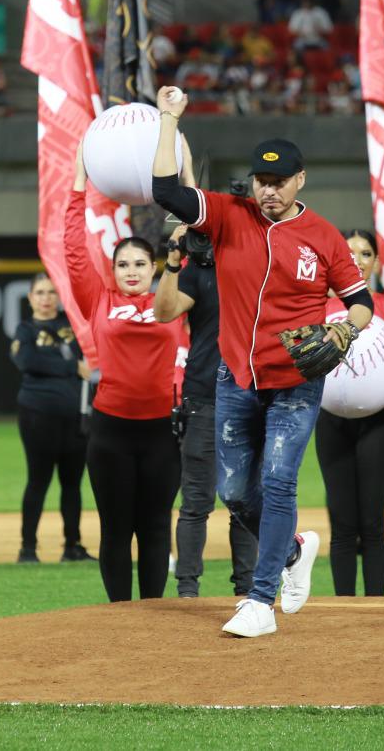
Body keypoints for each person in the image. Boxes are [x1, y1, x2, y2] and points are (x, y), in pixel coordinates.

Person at [151, 87, 374, 638]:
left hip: (296, 379)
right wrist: (167, 119)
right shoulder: (229, 216)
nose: (267, 190)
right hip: (235, 376)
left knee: (277, 482)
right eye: (260, 179)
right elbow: (164, 192)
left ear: (301, 180)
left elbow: (361, 302)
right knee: (232, 492)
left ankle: (259, 600)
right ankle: (295, 548)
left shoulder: (324, 238)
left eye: (278, 180)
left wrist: (345, 328)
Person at [67, 150, 183, 601]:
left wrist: (185, 177)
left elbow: (200, 239)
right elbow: (75, 249)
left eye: (140, 264)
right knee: (115, 528)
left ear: (153, 267)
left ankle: (150, 619)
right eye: (123, 265)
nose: (132, 271)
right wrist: (78, 184)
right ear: (112, 271)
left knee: (155, 527)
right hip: (111, 431)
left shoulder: (173, 299)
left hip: (159, 431)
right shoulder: (98, 300)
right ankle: (119, 618)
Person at [154, 223, 258, 599]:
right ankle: (187, 591)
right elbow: (163, 312)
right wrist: (173, 260)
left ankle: (247, 591)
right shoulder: (197, 272)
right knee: (196, 502)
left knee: (244, 501)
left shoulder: (259, 265)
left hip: (250, 396)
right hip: (205, 398)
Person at [314, 231, 384, 597]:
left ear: (376, 262)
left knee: (372, 523)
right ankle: (344, 611)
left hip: (377, 424)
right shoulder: (315, 306)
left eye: (366, 252)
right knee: (341, 523)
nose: (357, 259)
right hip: (330, 422)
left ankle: (377, 612)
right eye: (348, 252)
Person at [10, 272, 93, 565]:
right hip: (37, 416)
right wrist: (72, 365)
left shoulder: (72, 325)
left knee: (72, 483)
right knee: (38, 481)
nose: (46, 298)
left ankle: (73, 546)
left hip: (76, 417)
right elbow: (27, 360)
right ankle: (27, 549)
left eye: (51, 292)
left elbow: (93, 358)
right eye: (40, 293)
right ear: (30, 297)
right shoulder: (25, 328)